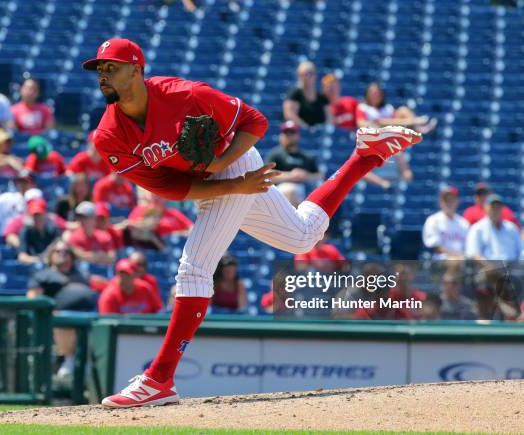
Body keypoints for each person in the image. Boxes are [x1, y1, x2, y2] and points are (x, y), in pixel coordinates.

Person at [82, 38, 422, 407]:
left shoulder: (185, 95)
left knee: (194, 270)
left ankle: (159, 379)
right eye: (100, 70)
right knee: (303, 236)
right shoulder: (108, 136)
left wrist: (224, 163)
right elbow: (168, 186)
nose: (103, 75)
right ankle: (364, 156)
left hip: (236, 162)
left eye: (111, 67)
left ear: (137, 70)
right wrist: (230, 184)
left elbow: (255, 120)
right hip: (220, 181)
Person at [27, 240, 97, 379]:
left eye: (66, 252)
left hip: (88, 315)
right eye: (58, 251)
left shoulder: (80, 274)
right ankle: (70, 360)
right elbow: (33, 299)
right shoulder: (43, 275)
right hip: (59, 317)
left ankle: (91, 362)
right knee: (64, 321)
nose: (62, 254)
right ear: (51, 255)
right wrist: (48, 313)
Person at [356, 82, 437, 134]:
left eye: (377, 93)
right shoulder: (363, 108)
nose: (376, 96)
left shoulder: (387, 108)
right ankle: (415, 122)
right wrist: (377, 124)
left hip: (393, 131)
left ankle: (419, 128)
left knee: (403, 110)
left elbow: (396, 118)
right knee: (380, 122)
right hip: (375, 133)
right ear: (367, 94)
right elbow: (361, 124)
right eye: (373, 93)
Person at [265, 121, 323, 190]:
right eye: (286, 133)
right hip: (280, 190)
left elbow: (319, 176)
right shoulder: (275, 154)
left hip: (304, 190)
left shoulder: (306, 157)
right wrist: (291, 175)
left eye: (292, 133)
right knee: (290, 189)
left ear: (298, 135)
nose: (289, 136)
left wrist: (306, 175)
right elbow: (267, 175)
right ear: (281, 136)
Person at [465, 194, 522, 261]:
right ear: (485, 208)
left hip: (512, 268)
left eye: (498, 207)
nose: (495, 210)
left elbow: (521, 252)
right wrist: (491, 267)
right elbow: (473, 255)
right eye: (492, 207)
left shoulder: (512, 228)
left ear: (502, 208)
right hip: (487, 269)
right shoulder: (477, 229)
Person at [98, 258, 163, 314]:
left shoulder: (145, 289)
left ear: (135, 275)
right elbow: (108, 323)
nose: (124, 278)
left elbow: (159, 311)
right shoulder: (108, 295)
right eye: (121, 274)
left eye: (127, 274)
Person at [0, 170, 35, 235]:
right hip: (4, 237)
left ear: (33, 184)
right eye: (20, 182)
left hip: (26, 238)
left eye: (26, 182)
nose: (22, 185)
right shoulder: (8, 197)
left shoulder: (37, 202)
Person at [422, 187, 470, 259]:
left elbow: (468, 246)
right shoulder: (433, 220)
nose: (449, 203)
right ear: (441, 202)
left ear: (457, 202)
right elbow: (434, 247)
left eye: (452, 200)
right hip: (439, 259)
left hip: (461, 258)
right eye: (446, 200)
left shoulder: (464, 223)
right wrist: (453, 254)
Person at [282, 61, 330, 128]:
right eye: (303, 74)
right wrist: (306, 128)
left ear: (315, 75)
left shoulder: (322, 98)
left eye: (310, 73)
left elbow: (329, 119)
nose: (307, 77)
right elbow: (289, 115)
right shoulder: (294, 95)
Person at [128, 189, 193, 238]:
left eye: (159, 194)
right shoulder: (140, 209)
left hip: (179, 243)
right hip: (155, 248)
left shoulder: (173, 212)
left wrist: (179, 234)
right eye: (153, 193)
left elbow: (191, 227)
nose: (156, 196)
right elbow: (130, 226)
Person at [18, 199, 62, 264]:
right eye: (35, 215)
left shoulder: (54, 229)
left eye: (40, 215)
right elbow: (22, 257)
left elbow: (60, 252)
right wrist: (40, 260)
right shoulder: (26, 231)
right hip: (34, 267)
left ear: (45, 214)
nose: (38, 218)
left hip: (52, 266)